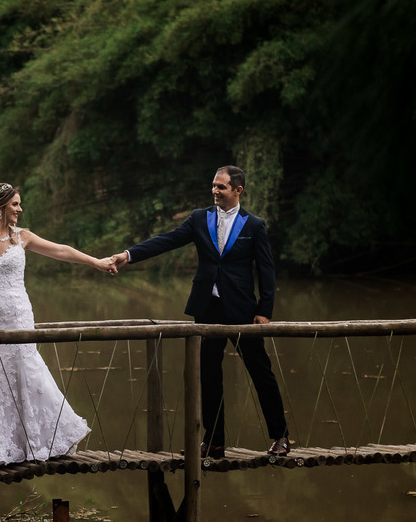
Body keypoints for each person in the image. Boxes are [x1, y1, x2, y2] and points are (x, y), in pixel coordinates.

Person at [112, 165, 289, 458]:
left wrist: (264, 311)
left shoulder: (254, 225)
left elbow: (267, 271)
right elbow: (166, 240)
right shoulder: (199, 218)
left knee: (261, 373)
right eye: (214, 186)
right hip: (207, 308)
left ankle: (280, 436)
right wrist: (128, 255)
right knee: (208, 375)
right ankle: (215, 441)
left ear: (238, 191)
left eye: (221, 187)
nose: (215, 191)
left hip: (243, 310)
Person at [0, 183, 116, 466]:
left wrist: (96, 262)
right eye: (15, 204)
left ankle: (42, 443)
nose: (20, 209)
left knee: (28, 376)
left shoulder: (21, 237)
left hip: (19, 317)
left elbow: (61, 251)